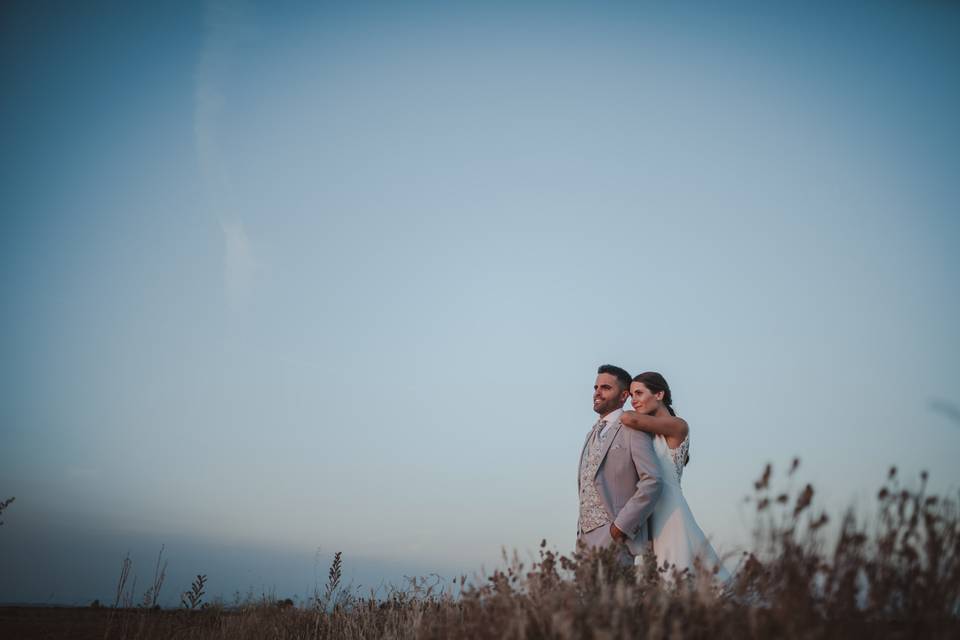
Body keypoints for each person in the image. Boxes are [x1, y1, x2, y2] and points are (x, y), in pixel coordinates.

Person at [620, 372, 729, 580]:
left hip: (671, 512)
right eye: (632, 394)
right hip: (650, 514)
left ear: (659, 394)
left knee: (678, 574)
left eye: (639, 393)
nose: (633, 400)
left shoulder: (678, 425)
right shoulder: (645, 434)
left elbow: (628, 417)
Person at [577, 364, 663, 566]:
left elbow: (652, 480)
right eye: (596, 387)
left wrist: (620, 528)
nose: (597, 392)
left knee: (617, 597)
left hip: (616, 538)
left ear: (624, 396)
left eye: (606, 388)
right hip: (584, 543)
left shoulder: (633, 428)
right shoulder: (591, 434)